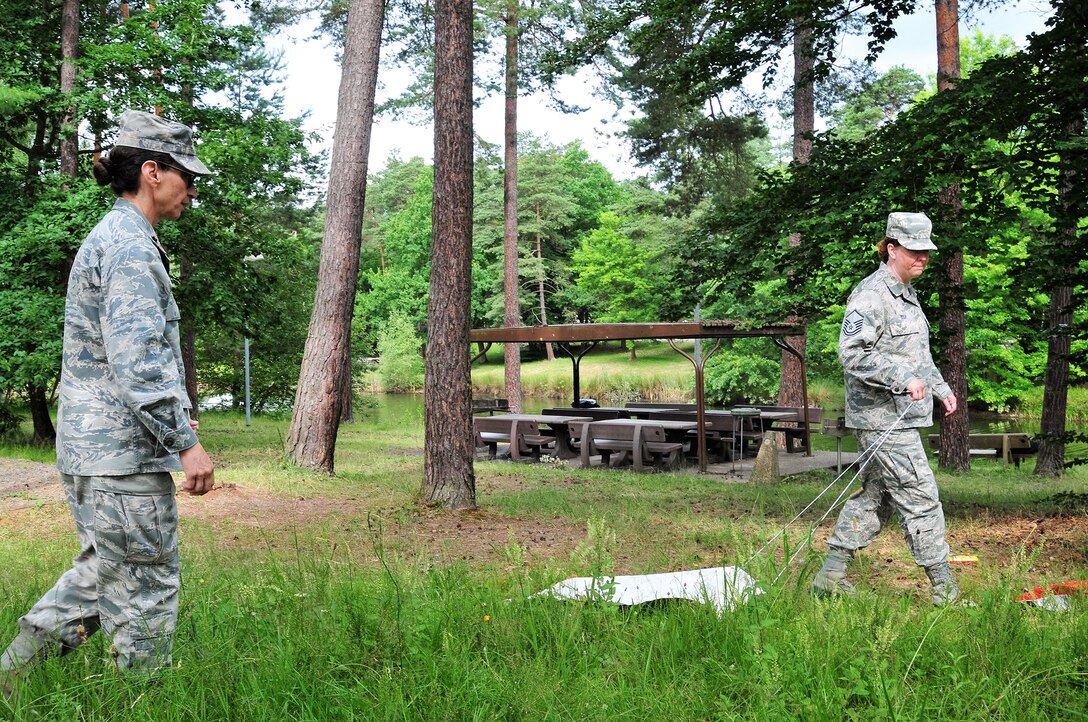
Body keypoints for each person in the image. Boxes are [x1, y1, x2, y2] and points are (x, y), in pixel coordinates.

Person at [1, 110, 215, 695]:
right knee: (144, 586)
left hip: (94, 452)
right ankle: (146, 703)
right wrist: (185, 443)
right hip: (121, 458)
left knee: (102, 575)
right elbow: (138, 358)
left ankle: (10, 681)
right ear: (152, 171)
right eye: (185, 177)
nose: (191, 191)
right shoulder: (129, 247)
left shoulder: (116, 238)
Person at [811, 211, 961, 606]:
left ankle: (831, 574)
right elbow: (852, 354)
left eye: (927, 250)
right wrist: (901, 380)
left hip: (902, 418)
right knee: (921, 495)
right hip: (881, 420)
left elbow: (917, 356)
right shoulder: (871, 296)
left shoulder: (906, 294)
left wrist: (940, 387)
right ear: (891, 248)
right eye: (914, 250)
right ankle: (945, 589)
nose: (923, 257)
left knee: (878, 497)